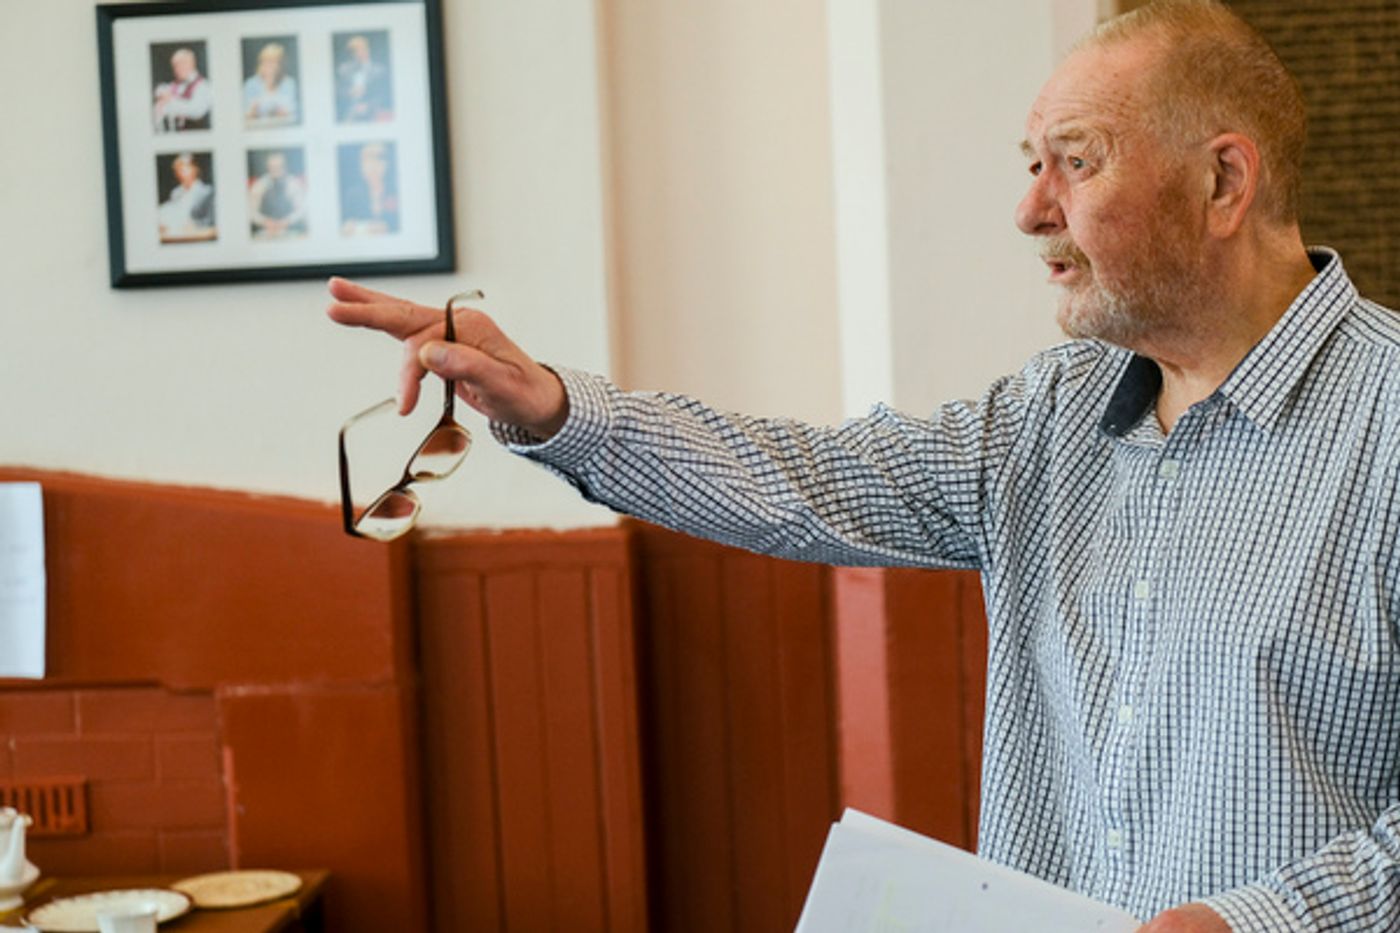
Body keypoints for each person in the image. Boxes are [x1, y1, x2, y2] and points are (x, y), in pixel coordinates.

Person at [326, 1, 1400, 930]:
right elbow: (804, 479)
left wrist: (1254, 922)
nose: (1030, 210)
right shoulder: (1048, 412)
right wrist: (552, 407)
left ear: (1222, 180)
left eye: (1076, 161)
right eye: (1031, 165)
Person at [338, 142, 399, 236]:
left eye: (379, 158)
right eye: (367, 159)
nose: (373, 165)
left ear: (387, 164)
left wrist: (387, 227)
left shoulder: (396, 191)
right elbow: (347, 224)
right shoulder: (353, 195)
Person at [247, 151, 307, 239]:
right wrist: (264, 221)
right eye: (272, 167)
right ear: (268, 167)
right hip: (265, 232)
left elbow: (302, 209)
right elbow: (251, 211)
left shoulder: (293, 184)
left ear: (285, 167)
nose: (276, 170)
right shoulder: (260, 185)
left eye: (279, 166)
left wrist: (287, 221)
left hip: (290, 230)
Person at [157, 153, 215, 242]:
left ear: (195, 169)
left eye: (184, 169)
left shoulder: (206, 192)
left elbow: (209, 221)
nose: (180, 173)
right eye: (178, 170)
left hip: (194, 235)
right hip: (173, 232)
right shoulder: (175, 192)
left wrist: (194, 226)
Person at [336, 34, 392, 123]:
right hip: (348, 114)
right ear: (352, 54)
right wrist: (349, 92)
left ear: (368, 49)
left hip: (373, 114)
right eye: (355, 51)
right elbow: (338, 91)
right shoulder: (344, 70)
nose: (360, 53)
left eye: (363, 49)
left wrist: (368, 106)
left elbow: (384, 95)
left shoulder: (379, 71)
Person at [153, 47, 211, 132]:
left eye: (181, 64)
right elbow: (160, 91)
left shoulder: (203, 86)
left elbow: (196, 111)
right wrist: (161, 95)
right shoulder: (173, 85)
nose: (177, 70)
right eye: (175, 66)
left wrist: (169, 101)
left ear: (191, 64)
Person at [243, 42, 299, 127]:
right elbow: (245, 116)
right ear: (261, 63)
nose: (271, 66)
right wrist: (253, 111)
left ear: (282, 64)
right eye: (267, 61)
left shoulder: (289, 83)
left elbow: (294, 114)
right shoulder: (250, 84)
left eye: (275, 62)